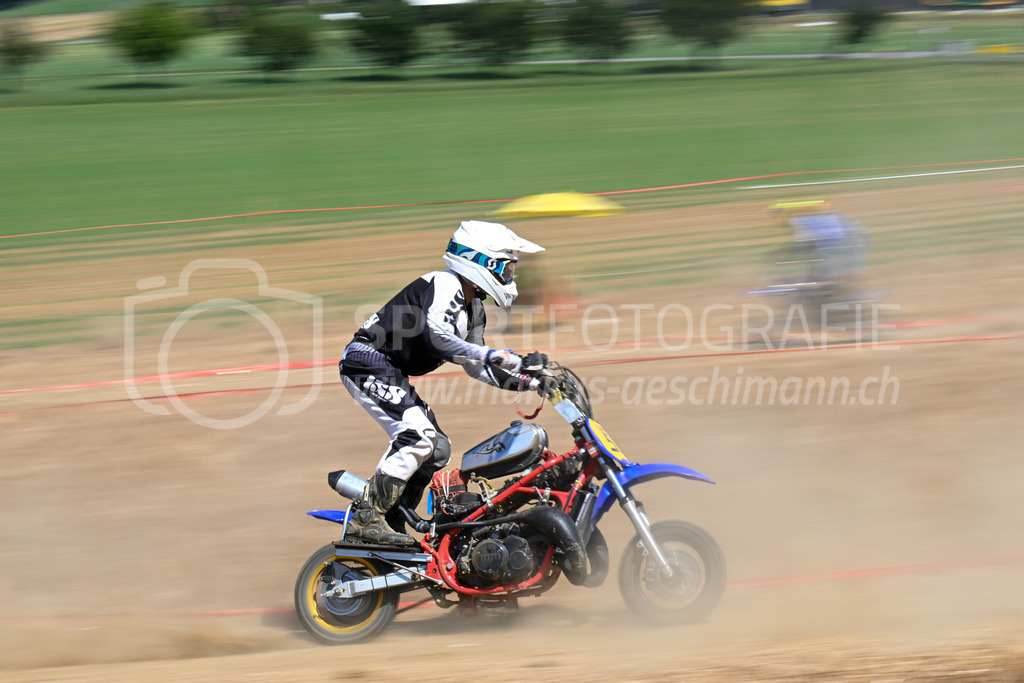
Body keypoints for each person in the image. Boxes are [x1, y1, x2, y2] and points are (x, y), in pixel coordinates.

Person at [332, 220, 554, 545]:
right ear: (481, 261)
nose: (509, 277)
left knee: (437, 448)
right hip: (367, 361)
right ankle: (367, 518)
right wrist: (497, 355)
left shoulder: (474, 309)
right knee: (417, 436)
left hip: (387, 369)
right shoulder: (444, 283)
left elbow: (476, 367)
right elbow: (437, 338)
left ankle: (392, 520)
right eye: (505, 268)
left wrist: (529, 382)